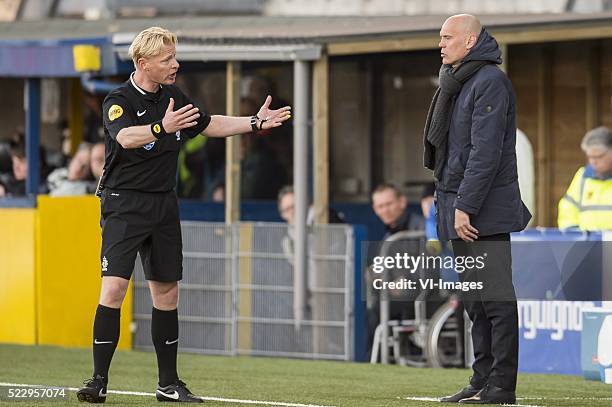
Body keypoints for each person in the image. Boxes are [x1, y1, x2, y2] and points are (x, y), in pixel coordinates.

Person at [77, 26, 291, 404]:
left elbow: (209, 124)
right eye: (167, 60)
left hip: (163, 204)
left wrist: (254, 123)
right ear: (143, 64)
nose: (175, 65)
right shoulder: (118, 98)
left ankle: (168, 383)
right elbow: (125, 137)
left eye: (175, 57)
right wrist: (161, 127)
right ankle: (97, 380)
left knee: (168, 292)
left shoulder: (174, 96)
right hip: (124, 204)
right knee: (114, 288)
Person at [423, 15, 531, 404]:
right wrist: (446, 204)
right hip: (455, 206)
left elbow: (484, 154)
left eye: (447, 37)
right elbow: (451, 154)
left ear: (470, 41)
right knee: (474, 301)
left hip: (482, 210)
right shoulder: (457, 82)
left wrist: (464, 206)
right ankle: (481, 380)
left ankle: (502, 386)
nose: (441, 43)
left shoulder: (489, 82)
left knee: (497, 301)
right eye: (440, 37)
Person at [558, 126, 612, 230]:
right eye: (590, 157)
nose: (593, 162)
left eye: (599, 157)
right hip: (587, 244)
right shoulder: (582, 175)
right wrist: (573, 235)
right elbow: (568, 209)